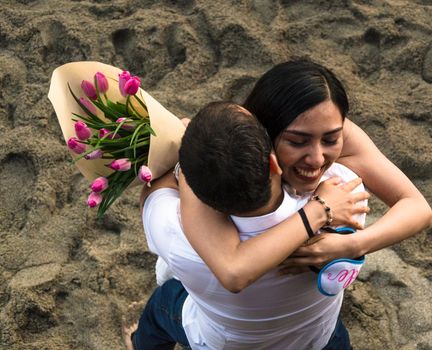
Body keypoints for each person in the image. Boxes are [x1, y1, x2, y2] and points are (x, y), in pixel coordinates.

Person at [128, 101, 369, 350]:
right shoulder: (343, 195)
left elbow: (152, 193)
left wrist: (184, 156)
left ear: (197, 193)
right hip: (317, 337)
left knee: (163, 304)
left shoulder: (178, 236)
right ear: (273, 164)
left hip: (228, 343)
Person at [179, 59, 432, 286]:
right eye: (297, 142)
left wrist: (350, 246)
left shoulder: (344, 134)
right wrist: (320, 210)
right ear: (264, 134)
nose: (317, 158)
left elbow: (417, 208)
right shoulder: (231, 166)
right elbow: (233, 271)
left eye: (331, 139)